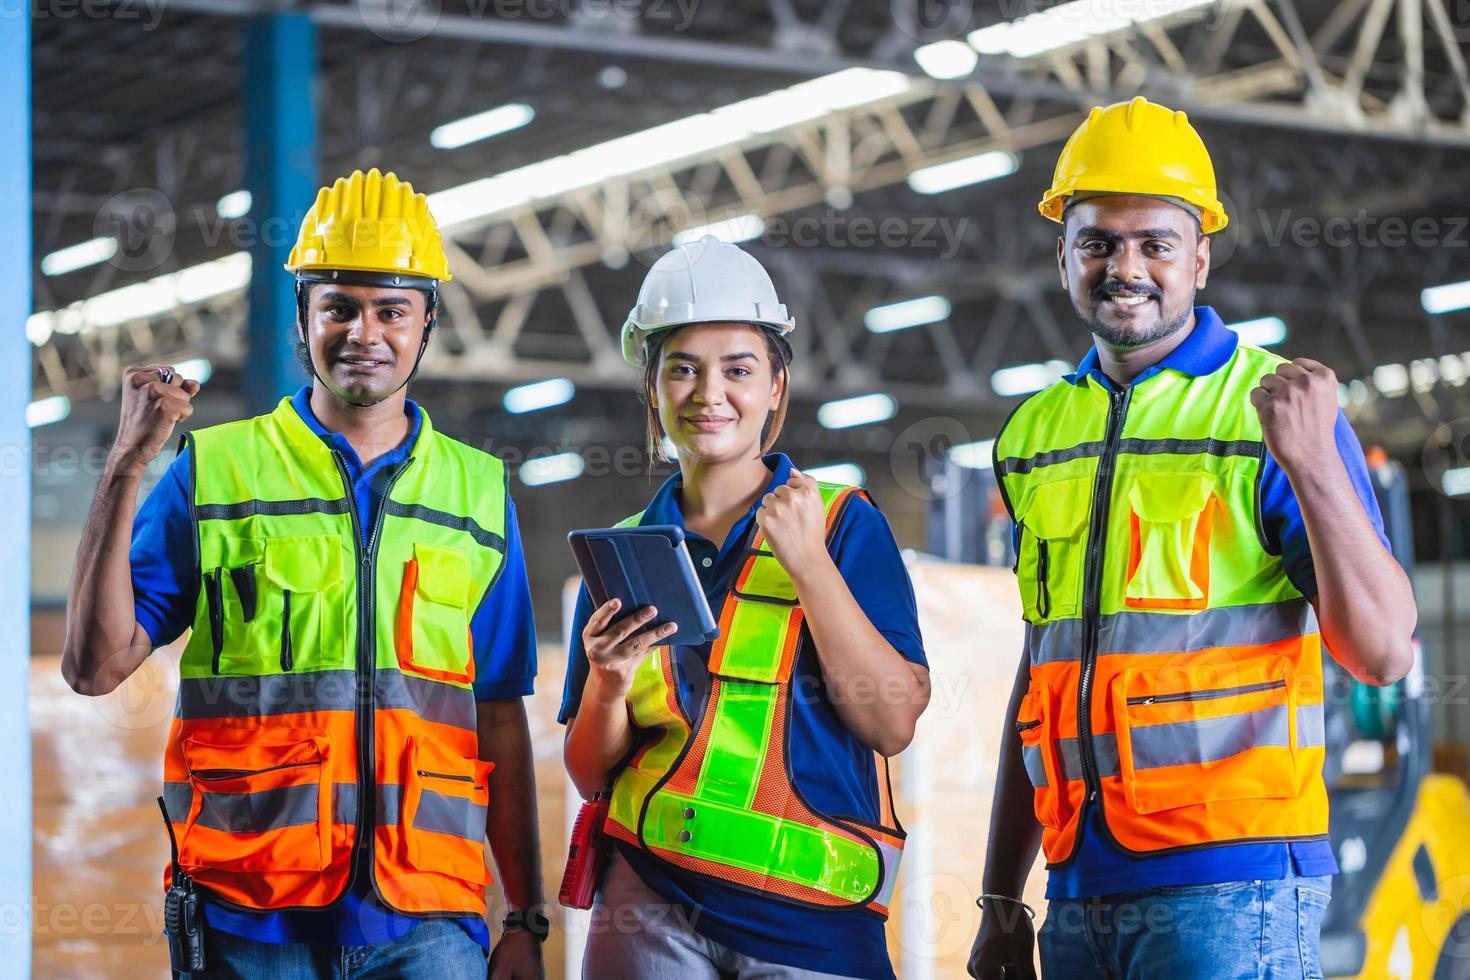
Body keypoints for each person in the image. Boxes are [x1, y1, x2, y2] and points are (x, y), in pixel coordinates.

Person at [966, 97, 1417, 980]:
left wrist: (1314, 462)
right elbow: (1043, 674)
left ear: (1199, 258)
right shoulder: (1032, 437)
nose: (1123, 267)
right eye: (1097, 241)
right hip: (1075, 888)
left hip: (1232, 887)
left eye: (1155, 244)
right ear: (1062, 255)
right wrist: (998, 895)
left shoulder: (1272, 412)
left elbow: (1384, 654)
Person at [62, 168, 547, 979]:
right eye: (339, 308)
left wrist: (526, 920)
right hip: (248, 920)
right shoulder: (214, 470)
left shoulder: (478, 492)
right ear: (303, 320)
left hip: (427, 925)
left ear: (426, 324)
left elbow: (498, 717)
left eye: (392, 309)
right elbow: (94, 665)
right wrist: (126, 466)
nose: (365, 333)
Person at [559, 236, 930, 980]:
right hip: (651, 899)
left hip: (814, 922)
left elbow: (889, 723)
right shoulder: (625, 551)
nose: (709, 394)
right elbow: (589, 771)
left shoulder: (843, 524)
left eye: (738, 369)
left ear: (775, 387)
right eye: (683, 369)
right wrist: (607, 681)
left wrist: (810, 565)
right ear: (653, 390)